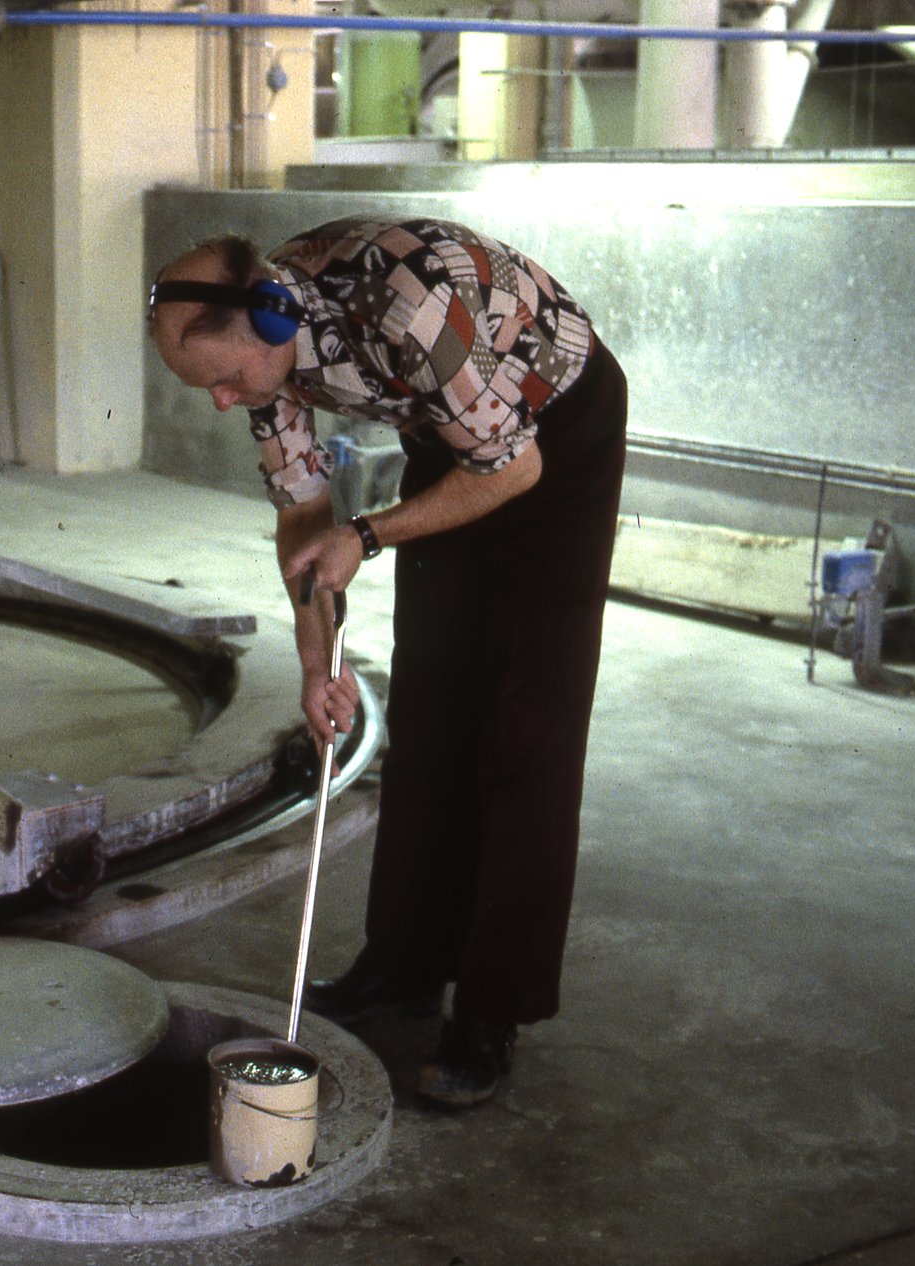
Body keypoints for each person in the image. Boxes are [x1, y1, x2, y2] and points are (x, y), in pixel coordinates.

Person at [148, 217, 627, 1108]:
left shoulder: (406, 303)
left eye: (222, 379)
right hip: (455, 443)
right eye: (205, 387)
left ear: (272, 322)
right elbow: (302, 511)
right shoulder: (265, 349)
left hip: (554, 439)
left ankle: (490, 1013)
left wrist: (367, 537)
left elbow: (511, 473)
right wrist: (313, 660)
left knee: (527, 723)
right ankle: (403, 967)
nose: (222, 401)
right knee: (433, 699)